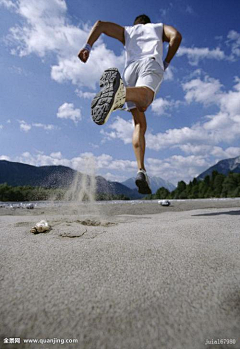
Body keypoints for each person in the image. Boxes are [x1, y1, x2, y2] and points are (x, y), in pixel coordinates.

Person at [78, 14, 182, 194]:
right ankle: (120, 94)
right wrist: (165, 62)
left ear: (136, 24)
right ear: (147, 23)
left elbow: (101, 25)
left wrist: (87, 46)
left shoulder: (128, 32)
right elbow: (176, 36)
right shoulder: (157, 27)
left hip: (129, 71)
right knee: (147, 97)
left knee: (139, 122)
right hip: (150, 64)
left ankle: (141, 170)